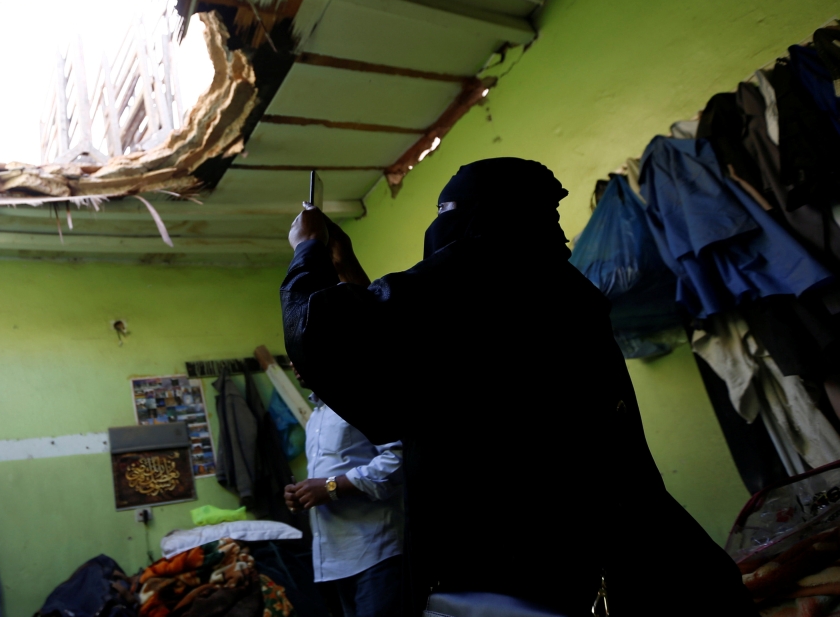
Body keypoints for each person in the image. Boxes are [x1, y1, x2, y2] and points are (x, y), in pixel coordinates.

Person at [280, 158, 758, 616]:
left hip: (509, 549)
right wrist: (344, 265)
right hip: (600, 525)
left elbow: (324, 335)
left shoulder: (473, 276)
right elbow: (408, 357)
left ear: (477, 217)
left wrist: (308, 252)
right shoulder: (555, 285)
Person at [284, 391, 404, 617]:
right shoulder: (316, 417)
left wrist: (333, 487)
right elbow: (330, 473)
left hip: (375, 552)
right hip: (335, 560)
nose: (293, 364)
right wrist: (301, 495)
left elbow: (398, 458)